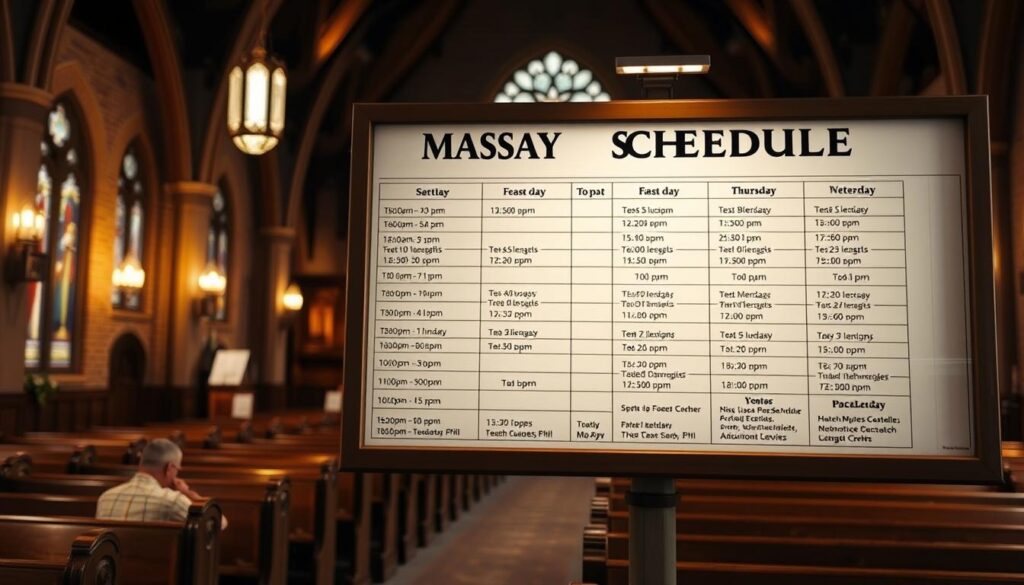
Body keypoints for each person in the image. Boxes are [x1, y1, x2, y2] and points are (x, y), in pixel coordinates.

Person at [96, 438, 227, 529]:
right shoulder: (172, 501)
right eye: (177, 469)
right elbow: (219, 523)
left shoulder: (105, 497)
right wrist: (189, 494)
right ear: (170, 468)